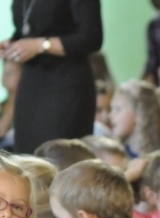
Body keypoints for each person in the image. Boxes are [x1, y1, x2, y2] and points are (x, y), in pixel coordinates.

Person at [0, 0, 102, 154]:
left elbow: (91, 37)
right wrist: (13, 45)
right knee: (27, 155)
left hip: (65, 83)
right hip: (31, 84)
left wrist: (41, 45)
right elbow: (26, 31)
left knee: (57, 155)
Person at [111, 79, 160, 159]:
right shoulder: (119, 152)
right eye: (111, 109)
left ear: (140, 112)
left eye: (118, 109)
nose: (111, 115)